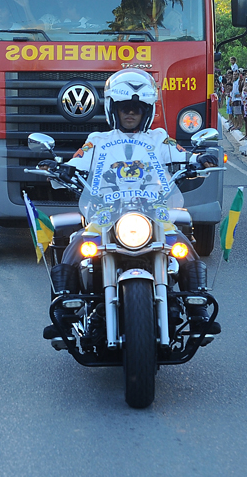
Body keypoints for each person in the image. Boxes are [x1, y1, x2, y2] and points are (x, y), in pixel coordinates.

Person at [47, 70, 220, 336]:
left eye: (137, 109)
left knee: (182, 246)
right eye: (124, 108)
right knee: (78, 244)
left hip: (153, 213)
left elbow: (183, 155)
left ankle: (197, 308)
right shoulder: (98, 140)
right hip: (106, 213)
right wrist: (62, 168)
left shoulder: (159, 138)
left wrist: (199, 160)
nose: (130, 113)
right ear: (113, 109)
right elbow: (78, 160)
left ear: (146, 111)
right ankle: (64, 309)